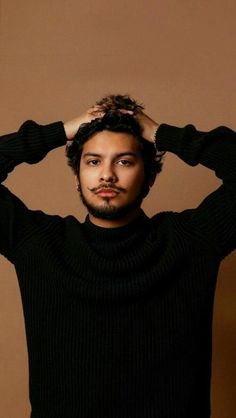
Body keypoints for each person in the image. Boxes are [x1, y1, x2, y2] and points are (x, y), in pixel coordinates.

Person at [0, 94, 235, 418]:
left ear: (150, 177)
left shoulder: (190, 242)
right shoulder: (40, 244)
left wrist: (160, 133)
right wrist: (60, 132)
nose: (107, 175)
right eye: (93, 161)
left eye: (124, 161)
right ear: (77, 177)